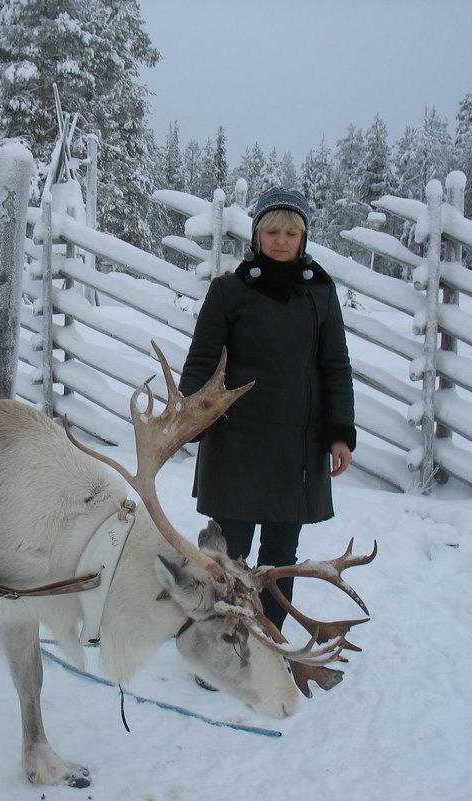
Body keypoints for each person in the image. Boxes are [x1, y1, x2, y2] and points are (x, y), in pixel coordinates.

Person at [178, 186, 356, 634]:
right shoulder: (228, 291)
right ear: (257, 236)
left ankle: (268, 637)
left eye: (291, 232)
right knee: (230, 553)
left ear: (304, 238)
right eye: (273, 231)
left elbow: (335, 365)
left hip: (296, 446)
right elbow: (202, 360)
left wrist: (339, 432)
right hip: (235, 439)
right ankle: (222, 638)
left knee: (280, 556)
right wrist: (191, 420)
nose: (281, 240)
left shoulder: (321, 294)